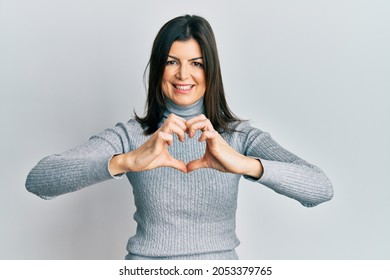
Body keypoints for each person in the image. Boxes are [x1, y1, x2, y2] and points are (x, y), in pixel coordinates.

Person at [26, 15, 333, 260]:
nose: (183, 75)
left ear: (211, 70)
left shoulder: (239, 138)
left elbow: (320, 188)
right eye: (172, 61)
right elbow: (38, 180)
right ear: (158, 68)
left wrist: (244, 164)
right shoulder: (133, 136)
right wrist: (128, 160)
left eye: (196, 63)